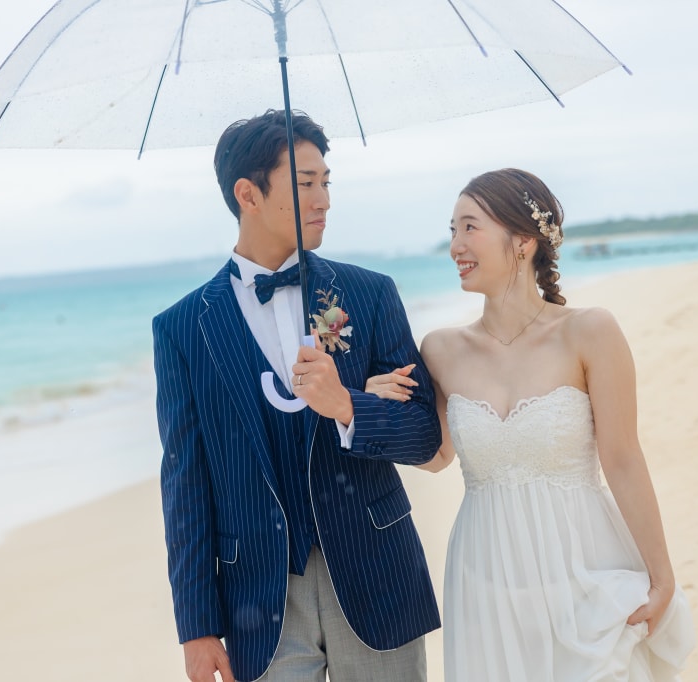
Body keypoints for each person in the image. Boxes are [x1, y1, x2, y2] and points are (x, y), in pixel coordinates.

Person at [367, 169, 695, 680]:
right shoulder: (441, 349)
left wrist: (662, 576)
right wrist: (368, 407)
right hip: (486, 574)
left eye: (470, 227)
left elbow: (623, 457)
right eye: (452, 229)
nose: (455, 245)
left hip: (583, 563)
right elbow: (435, 457)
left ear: (522, 241)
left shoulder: (590, 332)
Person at [152, 110, 442, 682]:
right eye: (306, 183)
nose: (325, 199)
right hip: (260, 602)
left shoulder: (367, 293)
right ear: (247, 194)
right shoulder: (184, 328)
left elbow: (425, 434)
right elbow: (184, 484)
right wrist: (196, 626)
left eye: (326, 182)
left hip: (376, 576)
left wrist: (347, 405)